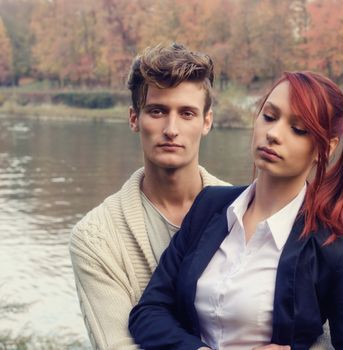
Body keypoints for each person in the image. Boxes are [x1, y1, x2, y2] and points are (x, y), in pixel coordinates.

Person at [129, 71, 343, 349]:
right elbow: (149, 312)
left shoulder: (336, 249)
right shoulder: (209, 205)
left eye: (298, 129)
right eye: (269, 116)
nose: (273, 134)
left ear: (325, 149)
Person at [69, 42, 230, 350]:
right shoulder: (95, 236)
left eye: (186, 113)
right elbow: (119, 345)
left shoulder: (244, 209)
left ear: (206, 122)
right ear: (134, 119)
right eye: (157, 111)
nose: (171, 129)